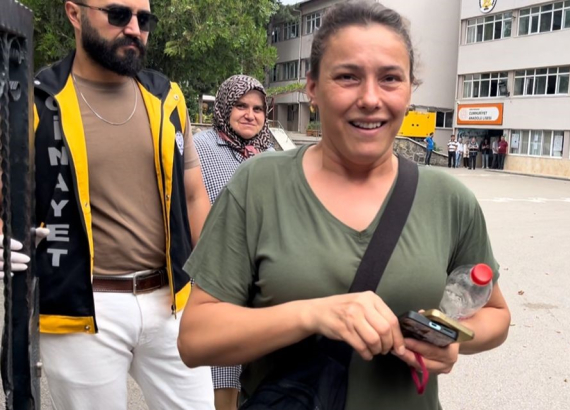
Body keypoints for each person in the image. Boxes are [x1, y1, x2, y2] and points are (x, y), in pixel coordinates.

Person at [177, 3, 511, 410]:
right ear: (313, 88)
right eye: (348, 77)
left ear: (410, 90)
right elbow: (195, 339)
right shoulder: (258, 185)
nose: (370, 98)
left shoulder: (448, 199)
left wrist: (454, 341)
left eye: (390, 78)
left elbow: (496, 314)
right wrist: (314, 315)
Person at [32, 1, 214, 408]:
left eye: (143, 19)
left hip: (171, 301)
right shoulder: (39, 100)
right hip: (81, 310)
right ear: (75, 14)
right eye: (118, 15)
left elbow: (193, 193)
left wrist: (213, 282)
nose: (134, 28)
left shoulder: (167, 97)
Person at [193, 75, 275, 410]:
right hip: (216, 275)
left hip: (262, 275)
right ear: (225, 106)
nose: (250, 115)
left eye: (258, 108)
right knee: (220, 371)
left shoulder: (272, 155)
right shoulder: (200, 148)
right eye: (241, 105)